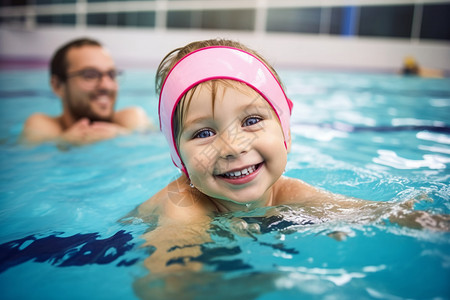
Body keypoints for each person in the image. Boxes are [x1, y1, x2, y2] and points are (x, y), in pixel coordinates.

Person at [131, 39, 449, 280]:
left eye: (251, 120)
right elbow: (168, 282)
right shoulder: (183, 207)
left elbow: (382, 215)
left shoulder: (290, 193)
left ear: (286, 132)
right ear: (180, 159)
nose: (232, 147)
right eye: (203, 133)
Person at [21, 38, 152, 145]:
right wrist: (65, 143)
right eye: (90, 75)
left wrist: (123, 136)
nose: (106, 85)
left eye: (111, 74)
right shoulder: (44, 127)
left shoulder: (131, 120)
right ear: (58, 86)